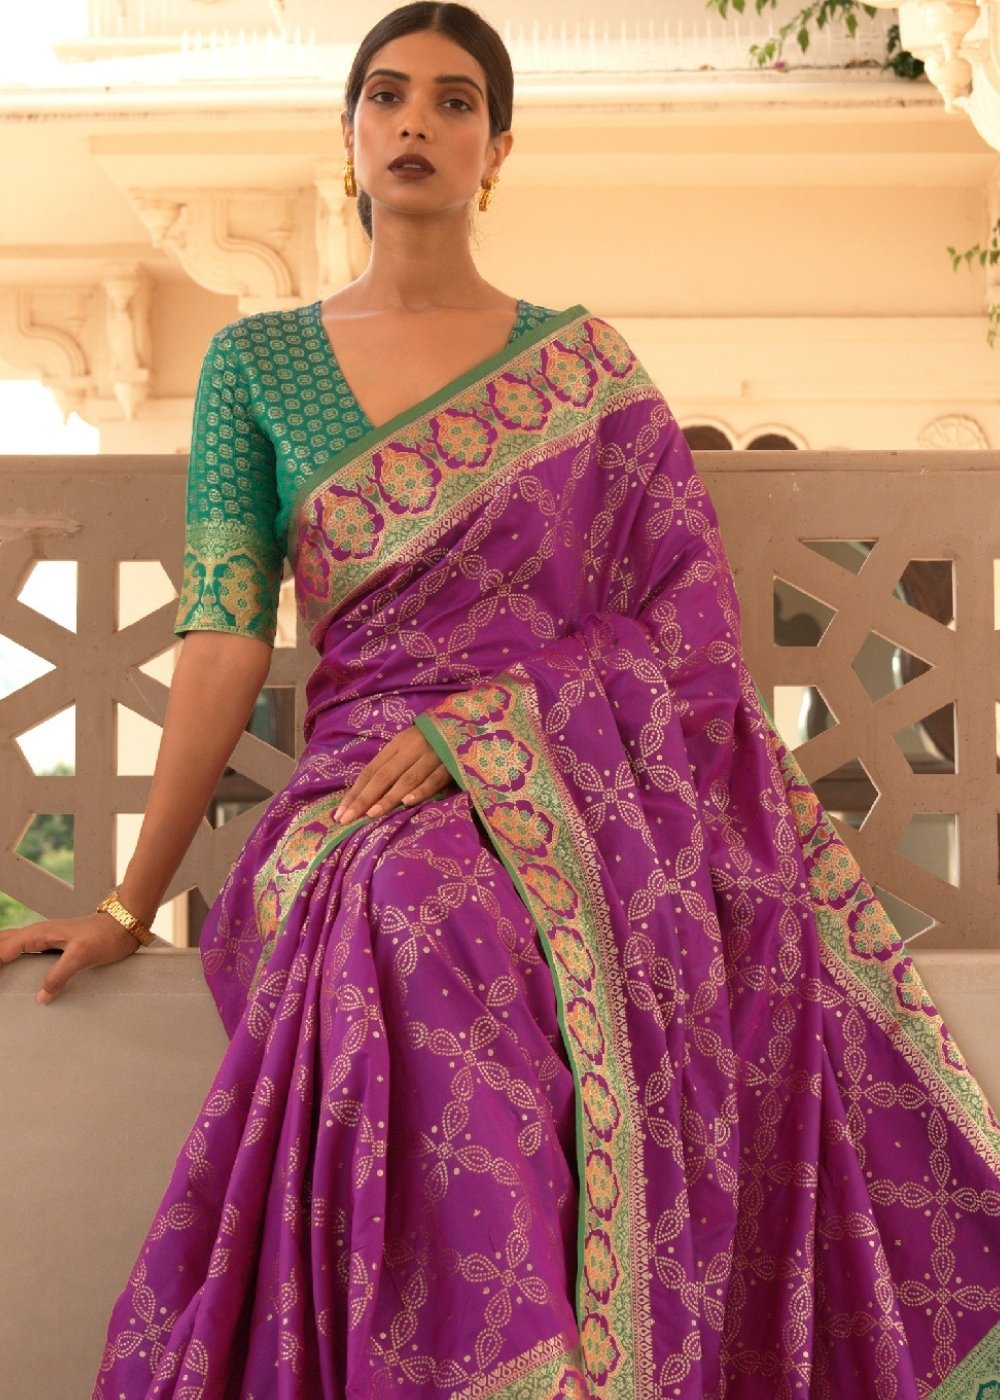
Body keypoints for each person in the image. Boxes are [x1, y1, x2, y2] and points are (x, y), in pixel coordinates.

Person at [2, 3, 999, 1395]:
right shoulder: (255, 365)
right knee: (407, 901)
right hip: (354, 795)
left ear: (499, 148)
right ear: (349, 132)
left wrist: (486, 730)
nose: (416, 121)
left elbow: (695, 627)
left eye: (455, 100)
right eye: (388, 95)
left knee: (474, 911)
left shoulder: (586, 370)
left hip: (578, 788)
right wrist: (127, 904)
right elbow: (223, 636)